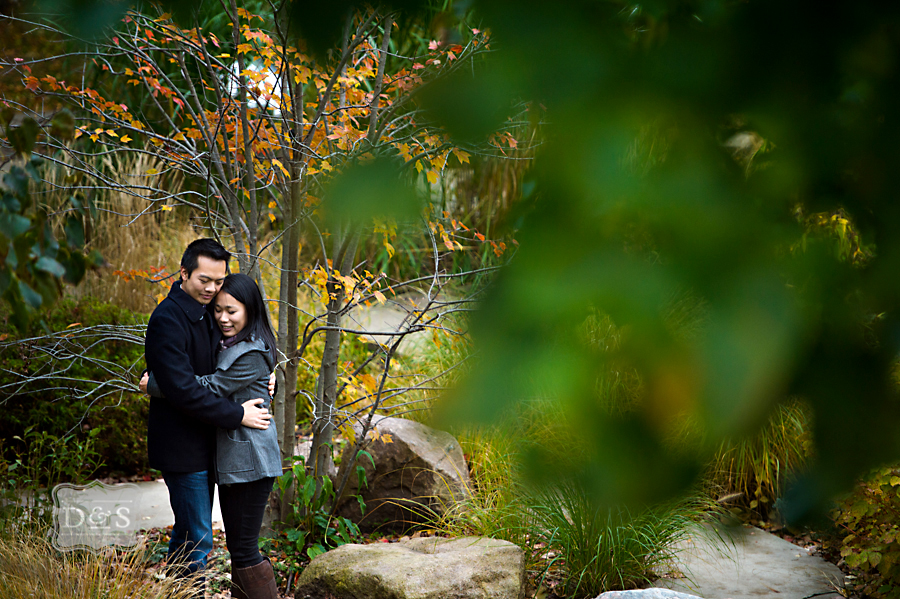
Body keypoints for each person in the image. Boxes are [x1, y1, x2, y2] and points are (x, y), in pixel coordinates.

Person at [143, 239, 272, 590]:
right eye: (205, 280)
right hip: (183, 449)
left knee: (190, 535)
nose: (213, 289)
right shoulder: (168, 319)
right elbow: (184, 390)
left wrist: (266, 375)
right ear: (184, 273)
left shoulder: (210, 312)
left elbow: (240, 352)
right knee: (198, 539)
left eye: (219, 280)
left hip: (212, 445)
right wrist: (236, 414)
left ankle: (175, 592)